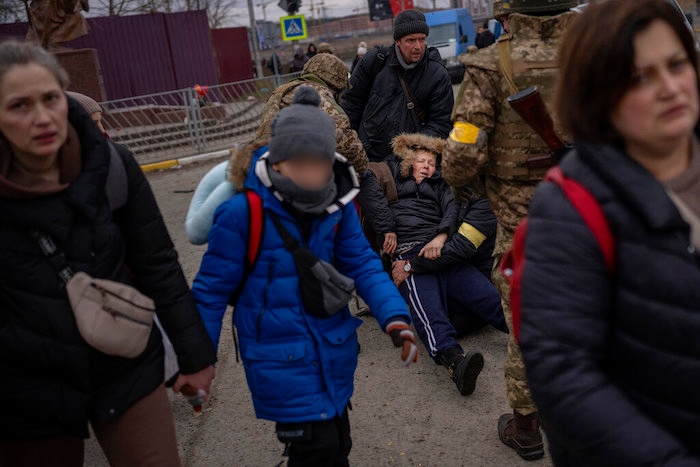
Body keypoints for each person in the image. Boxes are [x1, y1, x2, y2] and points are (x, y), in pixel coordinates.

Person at [0, 41, 216, 466]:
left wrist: (194, 356)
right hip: (25, 386)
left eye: (50, 98)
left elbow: (158, 265)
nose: (42, 117)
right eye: (19, 105)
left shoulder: (112, 165)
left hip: (124, 363)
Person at [192, 86, 417, 465]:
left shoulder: (338, 201)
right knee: (320, 450)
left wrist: (394, 316)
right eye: (301, 162)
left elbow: (361, 262)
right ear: (277, 160)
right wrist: (198, 361)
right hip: (277, 357)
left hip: (331, 347)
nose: (314, 172)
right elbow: (209, 292)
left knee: (337, 444)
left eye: (321, 161)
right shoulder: (240, 214)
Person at [520, 0, 700, 464]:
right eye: (640, 77)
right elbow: (564, 378)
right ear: (599, 94)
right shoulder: (570, 207)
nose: (670, 87)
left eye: (677, 63)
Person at [442, 0, 577, 461]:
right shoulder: (596, 49)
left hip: (523, 220)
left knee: (527, 317)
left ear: (510, 12)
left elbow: (460, 156)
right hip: (590, 209)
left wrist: (470, 187)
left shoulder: (489, 65)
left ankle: (525, 429)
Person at [374, 133, 506, 395]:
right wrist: (389, 233)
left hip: (441, 253)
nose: (426, 166)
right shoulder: (392, 181)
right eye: (420, 160)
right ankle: (455, 363)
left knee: (491, 299)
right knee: (431, 313)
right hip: (408, 249)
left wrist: (441, 235)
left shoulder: (453, 188)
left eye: (432, 163)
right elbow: (370, 181)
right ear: (407, 161)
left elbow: (452, 212)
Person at [342, 9, 454, 162]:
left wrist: (409, 151)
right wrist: (353, 150)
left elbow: (441, 124)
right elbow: (351, 105)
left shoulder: (437, 75)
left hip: (409, 164)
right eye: (411, 40)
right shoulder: (375, 62)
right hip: (367, 159)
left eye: (422, 39)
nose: (418, 47)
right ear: (397, 41)